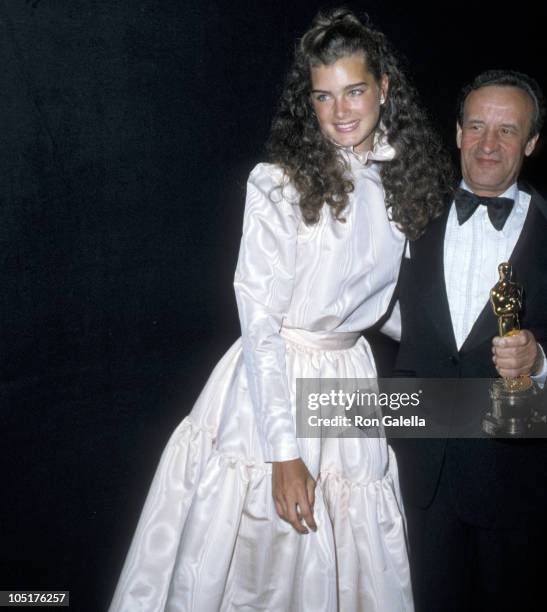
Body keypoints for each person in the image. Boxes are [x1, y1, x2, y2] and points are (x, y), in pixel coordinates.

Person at [109, 9, 452, 611]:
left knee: (347, 555)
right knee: (260, 564)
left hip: (348, 384)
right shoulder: (277, 182)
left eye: (355, 91)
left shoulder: (403, 182)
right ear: (308, 103)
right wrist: (284, 453)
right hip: (274, 384)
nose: (341, 111)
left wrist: (459, 352)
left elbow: (382, 309)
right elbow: (260, 322)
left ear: (385, 88)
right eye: (324, 97)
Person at [392, 70, 547, 611]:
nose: (487, 143)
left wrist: (540, 359)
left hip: (516, 480)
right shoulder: (407, 217)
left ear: (531, 143)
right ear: (457, 132)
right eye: (477, 126)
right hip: (418, 474)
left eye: (507, 131)